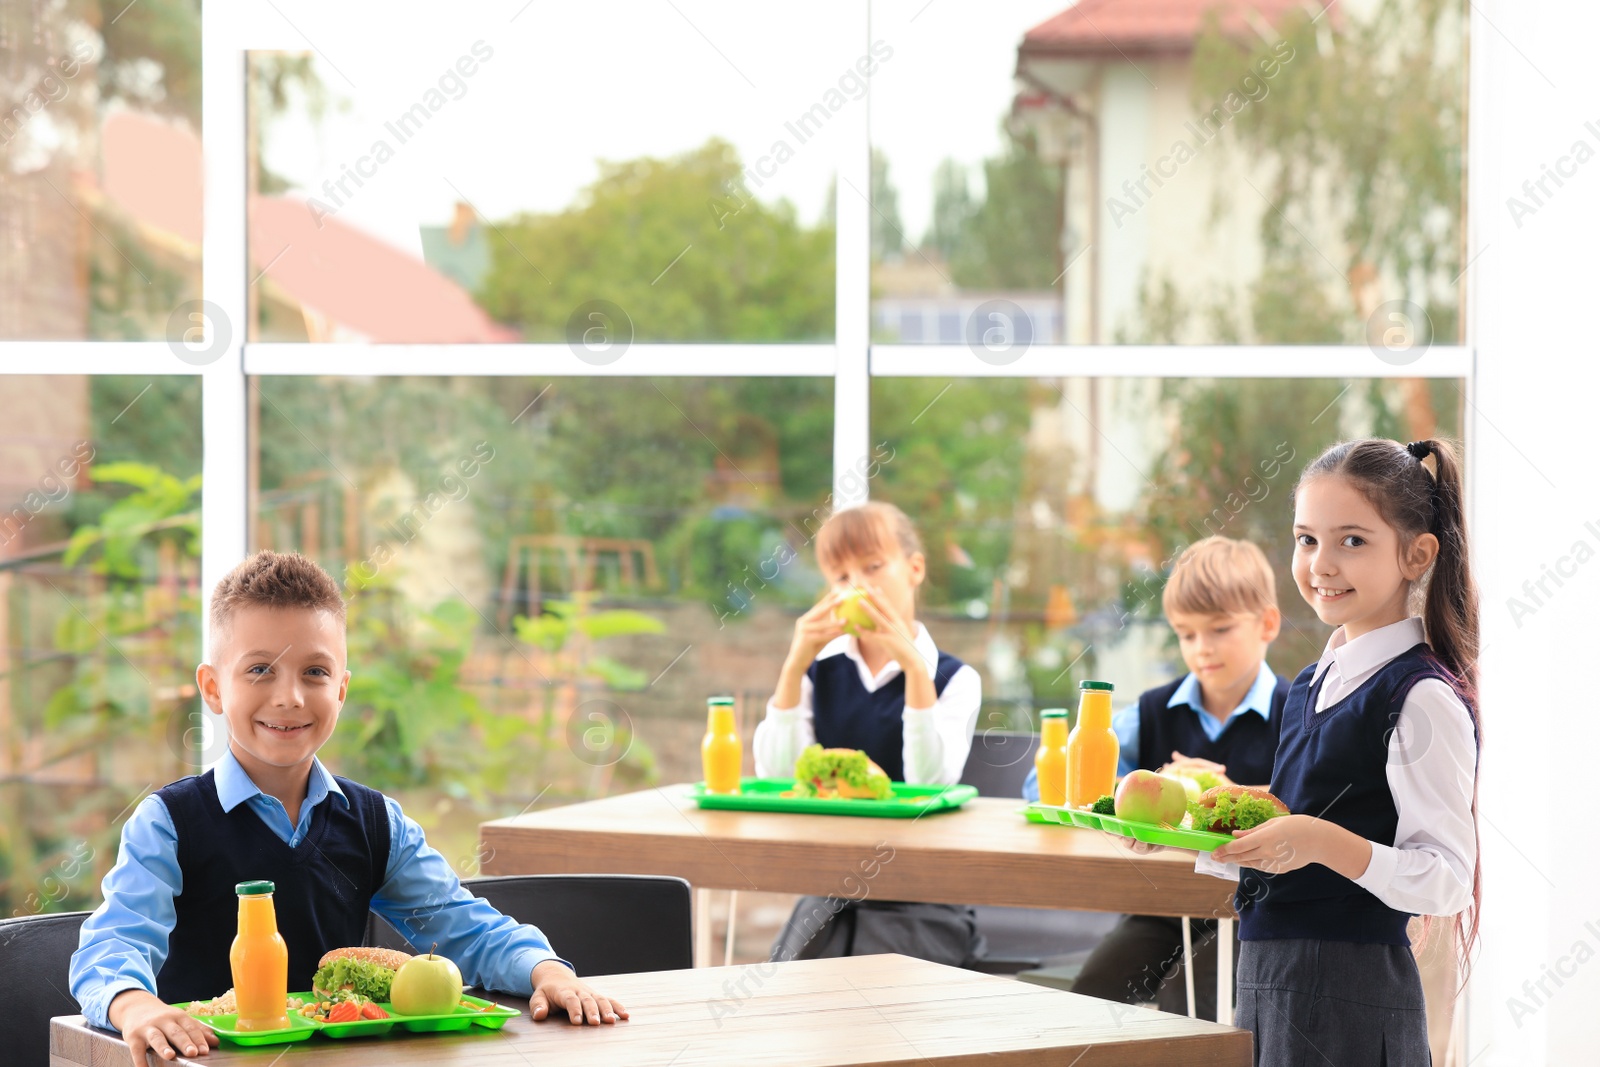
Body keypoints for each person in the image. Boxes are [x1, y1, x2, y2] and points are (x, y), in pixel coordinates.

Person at [70, 551, 628, 1067]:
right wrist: (134, 1006)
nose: (289, 697)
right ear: (213, 689)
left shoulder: (375, 822)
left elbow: (466, 928)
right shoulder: (169, 823)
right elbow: (114, 944)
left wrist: (547, 971)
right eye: (260, 669)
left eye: (314, 672)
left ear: (341, 689)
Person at [1200, 438, 1480, 1065]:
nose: (1321, 565)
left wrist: (1321, 842)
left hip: (1352, 993)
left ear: (1417, 554)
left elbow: (1447, 879)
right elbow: (1299, 829)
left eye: (1352, 541)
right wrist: (1197, 830)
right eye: (1306, 540)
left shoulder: (1420, 696)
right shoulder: (1311, 682)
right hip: (1270, 974)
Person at [1025, 535, 1289, 1017]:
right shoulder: (1150, 711)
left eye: (1220, 629)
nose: (1202, 648)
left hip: (1248, 912)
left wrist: (1231, 798)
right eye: (1186, 634)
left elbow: (1311, 806)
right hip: (1161, 907)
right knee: (1092, 996)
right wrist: (1153, 785)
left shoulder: (1294, 713)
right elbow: (1051, 791)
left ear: (1267, 623)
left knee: (1191, 1000)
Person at [754, 502, 983, 964]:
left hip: (923, 899)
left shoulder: (956, 679)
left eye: (873, 566)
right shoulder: (818, 672)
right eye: (841, 577)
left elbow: (930, 785)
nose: (858, 585)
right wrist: (794, 663)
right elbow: (776, 779)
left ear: (914, 568)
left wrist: (915, 670)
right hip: (830, 893)